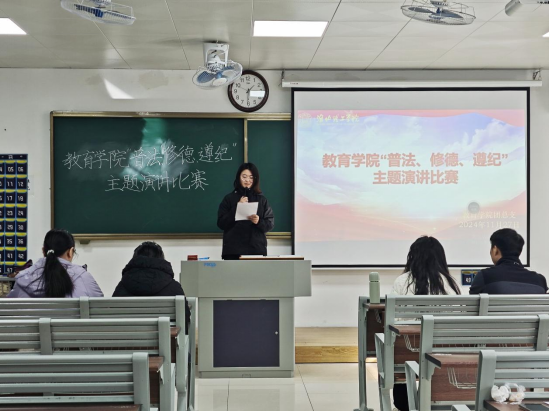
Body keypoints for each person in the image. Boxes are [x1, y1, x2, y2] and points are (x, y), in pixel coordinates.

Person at [391, 236, 461, 411]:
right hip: (443, 351)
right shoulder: (450, 284)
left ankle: (406, 403)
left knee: (399, 343)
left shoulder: (402, 281)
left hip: (407, 352)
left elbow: (393, 320)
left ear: (412, 257)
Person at [113, 241, 191, 333]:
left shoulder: (122, 286)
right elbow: (184, 320)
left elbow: (113, 317)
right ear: (161, 259)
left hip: (126, 339)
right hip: (164, 340)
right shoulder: (173, 286)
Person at [7, 229, 103, 298]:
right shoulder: (83, 277)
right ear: (70, 252)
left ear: (43, 251)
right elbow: (101, 309)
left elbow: (9, 312)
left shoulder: (23, 278)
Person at [217, 163, 275, 260]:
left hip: (256, 250)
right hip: (233, 251)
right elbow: (221, 223)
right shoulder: (229, 199)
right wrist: (237, 207)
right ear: (238, 177)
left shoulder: (262, 200)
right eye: (244, 177)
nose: (247, 180)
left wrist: (258, 221)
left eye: (251, 177)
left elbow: (270, 224)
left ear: (255, 179)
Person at [469, 229, 547, 295]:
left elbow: (470, 306)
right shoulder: (540, 281)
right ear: (520, 252)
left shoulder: (485, 276)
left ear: (495, 250)